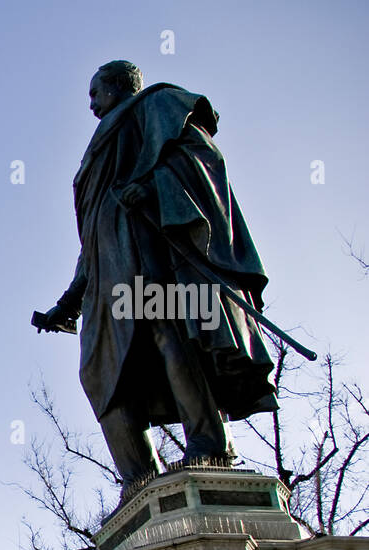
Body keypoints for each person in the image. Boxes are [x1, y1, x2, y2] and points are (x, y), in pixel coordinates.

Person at [36, 61, 277, 494]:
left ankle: (209, 446)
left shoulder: (156, 106)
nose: (91, 104)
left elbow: (203, 159)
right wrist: (68, 302)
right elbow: (91, 237)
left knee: (166, 335)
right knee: (99, 374)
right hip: (106, 272)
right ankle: (139, 478)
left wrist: (152, 187)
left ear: (117, 87)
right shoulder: (99, 147)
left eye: (95, 93)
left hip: (146, 253)